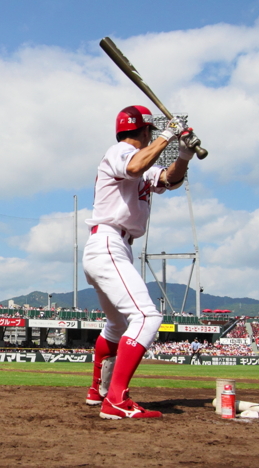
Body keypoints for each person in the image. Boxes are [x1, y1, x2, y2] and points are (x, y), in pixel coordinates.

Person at [83, 105, 196, 419]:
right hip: (108, 241)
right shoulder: (118, 152)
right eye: (150, 130)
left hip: (113, 245)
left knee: (117, 326)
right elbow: (133, 169)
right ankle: (115, 400)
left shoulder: (142, 162)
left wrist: (184, 155)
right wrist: (170, 134)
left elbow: (169, 180)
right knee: (147, 317)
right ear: (144, 130)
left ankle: (98, 392)